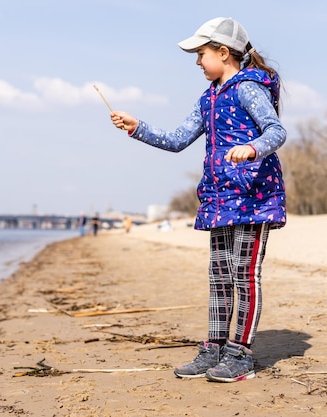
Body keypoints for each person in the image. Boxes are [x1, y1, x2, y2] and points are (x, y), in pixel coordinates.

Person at [108, 17, 286, 383]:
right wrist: (137, 127)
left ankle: (241, 354)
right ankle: (215, 348)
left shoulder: (248, 88)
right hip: (219, 201)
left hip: (254, 197)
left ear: (224, 53)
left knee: (244, 275)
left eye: (201, 54)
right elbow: (176, 139)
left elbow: (276, 131)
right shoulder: (208, 98)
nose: (197, 61)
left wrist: (251, 149)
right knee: (218, 276)